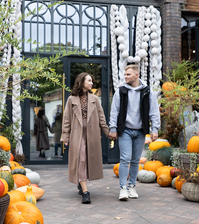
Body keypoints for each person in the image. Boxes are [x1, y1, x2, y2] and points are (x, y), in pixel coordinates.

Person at [108, 64, 160, 201]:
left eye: (128, 75)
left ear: (136, 75)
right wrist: (112, 128)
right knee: (125, 159)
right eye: (125, 75)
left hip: (140, 132)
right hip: (124, 130)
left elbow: (154, 111)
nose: (125, 77)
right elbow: (114, 111)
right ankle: (123, 189)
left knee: (136, 161)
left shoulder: (147, 92)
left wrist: (155, 129)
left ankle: (132, 186)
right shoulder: (121, 91)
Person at [61, 72, 108, 204]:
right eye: (89, 80)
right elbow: (66, 119)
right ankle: (86, 192)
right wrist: (65, 136)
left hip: (92, 133)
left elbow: (101, 116)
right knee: (81, 159)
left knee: (88, 159)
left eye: (92, 81)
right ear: (82, 82)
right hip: (78, 133)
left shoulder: (95, 99)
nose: (91, 83)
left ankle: (81, 184)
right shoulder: (71, 99)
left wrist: (107, 131)